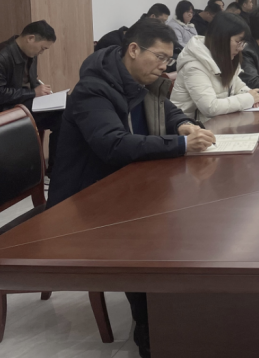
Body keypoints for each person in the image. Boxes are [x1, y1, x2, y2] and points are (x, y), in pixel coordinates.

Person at [46, 18, 216, 358]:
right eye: (160, 57)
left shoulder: (143, 80)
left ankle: (190, 312)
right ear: (134, 50)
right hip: (85, 201)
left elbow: (168, 110)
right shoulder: (93, 90)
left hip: (126, 184)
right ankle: (151, 333)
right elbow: (114, 145)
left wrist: (184, 125)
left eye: (169, 59)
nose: (164, 66)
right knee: (152, 239)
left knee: (189, 222)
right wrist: (181, 145)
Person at [171, 12, 259, 122]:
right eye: (238, 42)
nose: (241, 48)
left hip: (218, 123)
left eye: (243, 43)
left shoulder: (223, 59)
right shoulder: (194, 66)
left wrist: (252, 95)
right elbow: (210, 108)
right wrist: (248, 98)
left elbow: (238, 86)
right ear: (221, 38)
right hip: (191, 127)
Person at [0, 20, 62, 174]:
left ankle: (56, 170)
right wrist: (34, 93)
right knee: (62, 115)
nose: (41, 52)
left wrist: (44, 93)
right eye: (42, 48)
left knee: (65, 112)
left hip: (25, 103)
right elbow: (1, 94)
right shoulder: (3, 56)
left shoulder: (30, 53)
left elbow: (32, 81)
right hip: (9, 109)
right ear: (30, 38)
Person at [95, 4, 170, 51]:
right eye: (162, 21)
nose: (163, 25)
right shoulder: (112, 41)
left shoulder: (145, 31)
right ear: (152, 17)